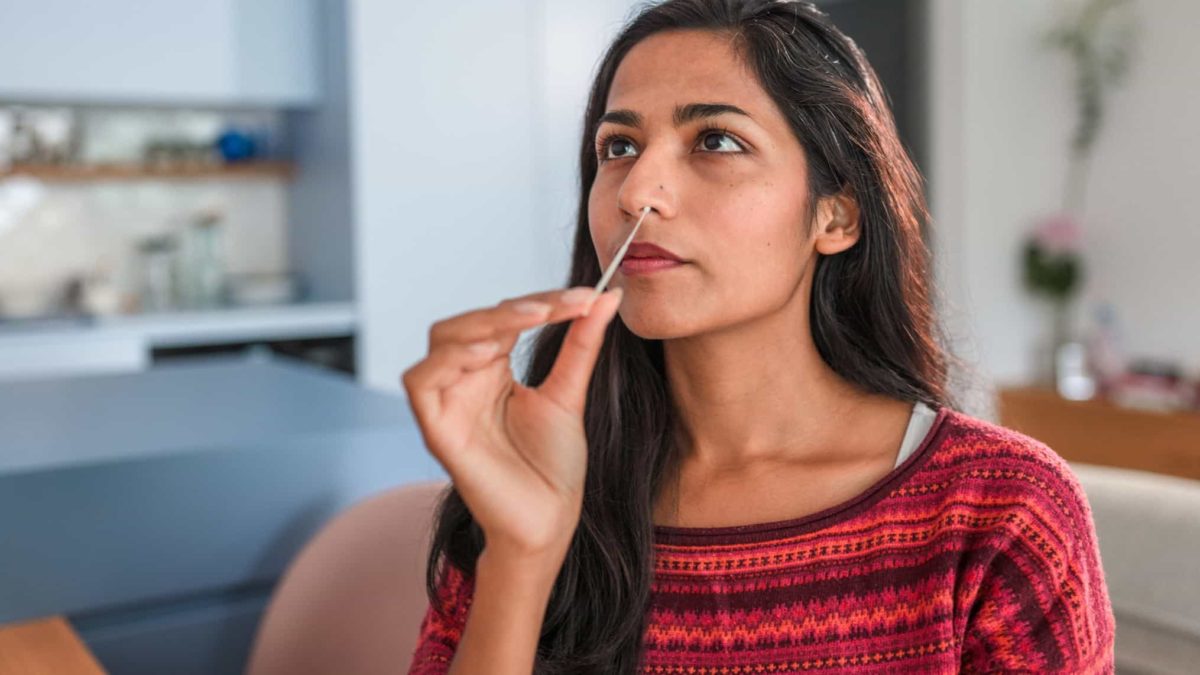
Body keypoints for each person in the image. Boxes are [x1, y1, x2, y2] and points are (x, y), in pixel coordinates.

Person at [400, 0, 1116, 672]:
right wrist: (521, 557)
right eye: (618, 146)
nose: (636, 191)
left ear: (835, 217)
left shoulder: (1002, 509)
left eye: (716, 140)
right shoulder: (532, 477)